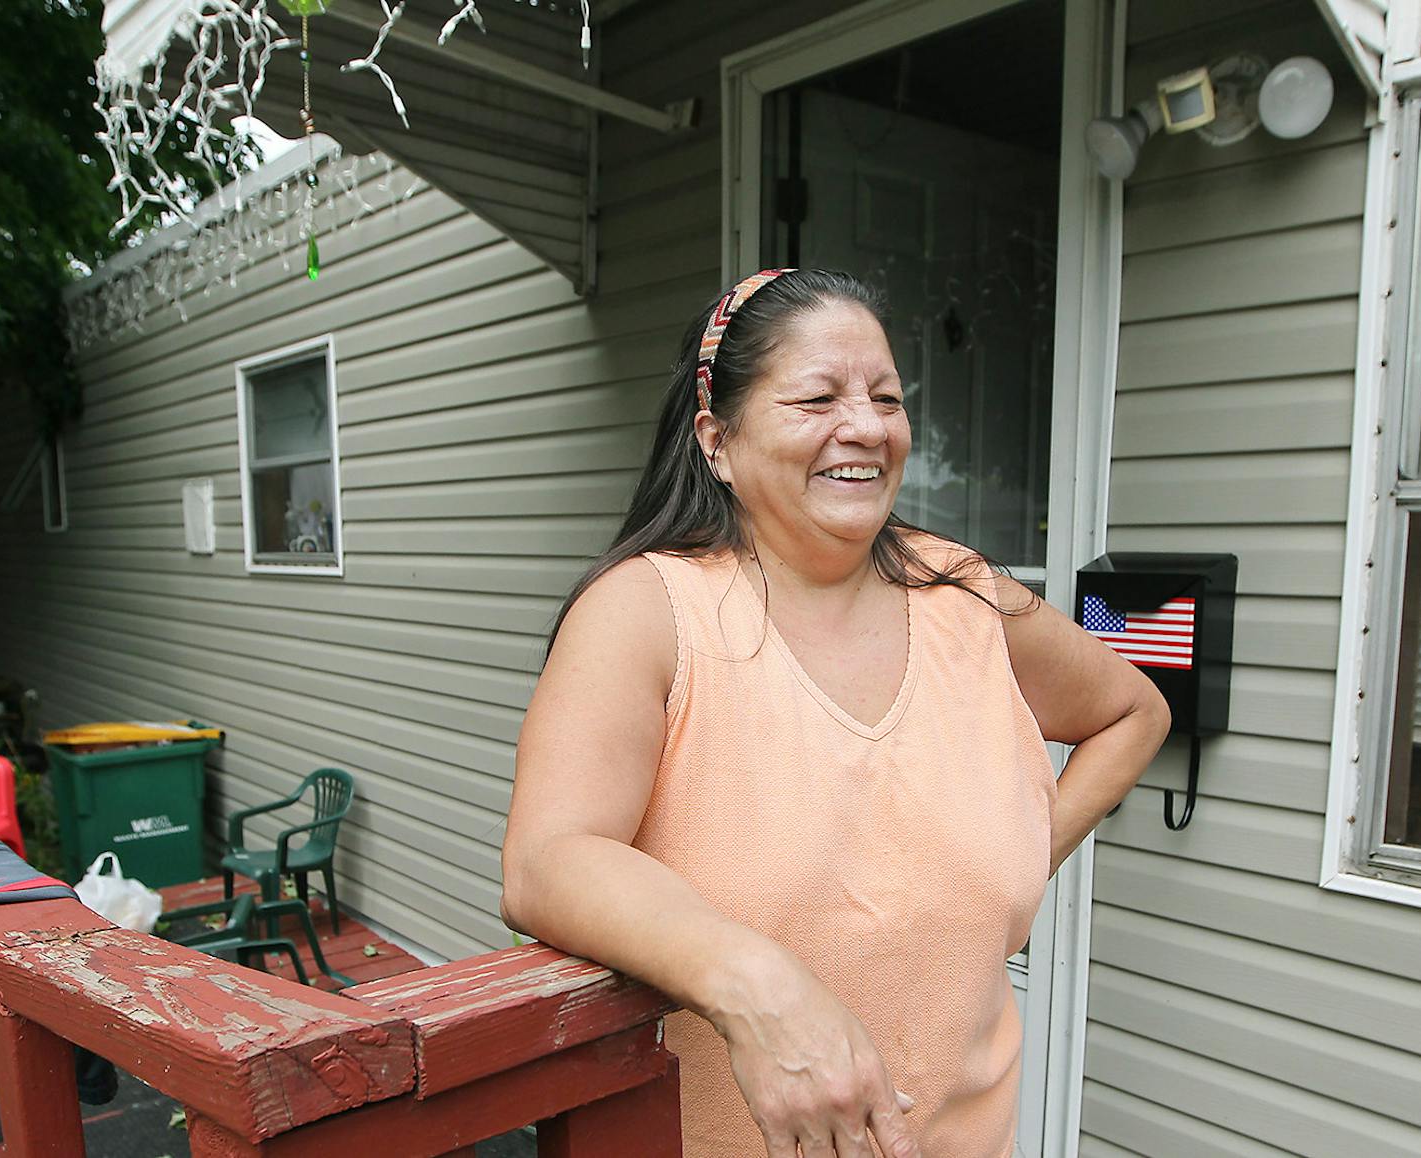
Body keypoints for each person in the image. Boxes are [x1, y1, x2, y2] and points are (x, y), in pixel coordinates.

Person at [501, 269, 1169, 1158]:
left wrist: (1020, 853)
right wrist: (759, 988)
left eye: (887, 398)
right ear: (717, 441)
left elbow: (1133, 712)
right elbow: (546, 862)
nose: (868, 426)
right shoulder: (648, 610)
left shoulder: (964, 594)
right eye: (818, 398)